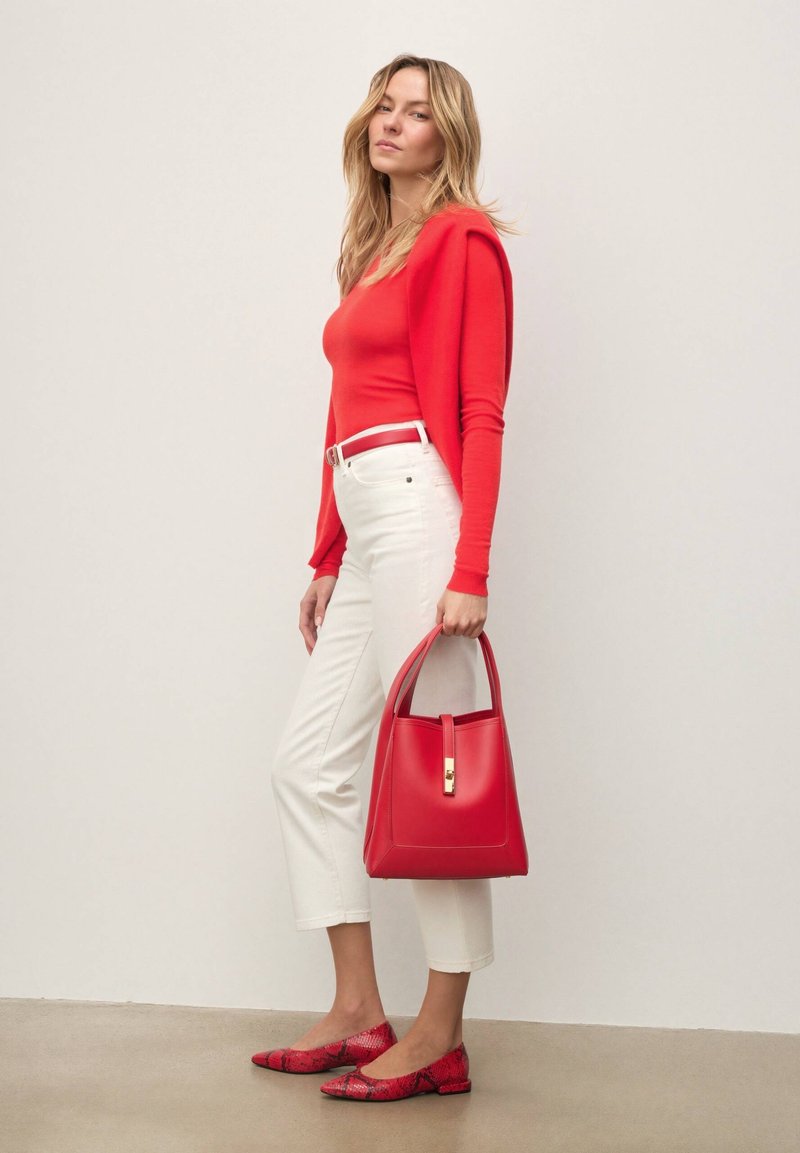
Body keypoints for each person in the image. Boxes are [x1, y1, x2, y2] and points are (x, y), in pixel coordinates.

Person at [251, 53, 515, 1102]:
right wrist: (327, 552)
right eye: (383, 106)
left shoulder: (463, 240)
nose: (391, 123)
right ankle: (359, 1007)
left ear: (448, 135)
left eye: (416, 111)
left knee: (437, 776)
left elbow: (481, 412)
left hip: (419, 511)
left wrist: (469, 567)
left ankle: (439, 1033)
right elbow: (342, 410)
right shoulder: (370, 249)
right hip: (364, 517)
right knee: (306, 764)